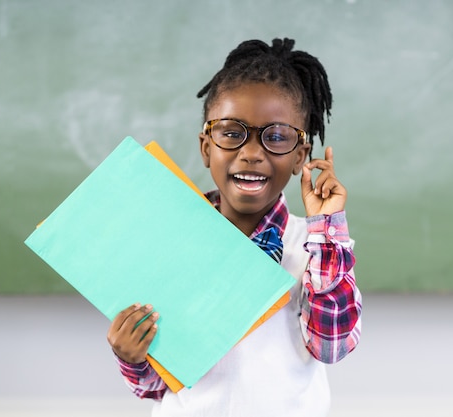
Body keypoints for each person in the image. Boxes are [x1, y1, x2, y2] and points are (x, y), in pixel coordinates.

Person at [107, 37, 362, 416]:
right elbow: (155, 385)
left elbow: (333, 345)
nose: (252, 152)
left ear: (300, 157)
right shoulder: (171, 239)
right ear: (206, 146)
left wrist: (325, 226)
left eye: (276, 137)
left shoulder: (316, 247)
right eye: (231, 132)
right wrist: (132, 356)